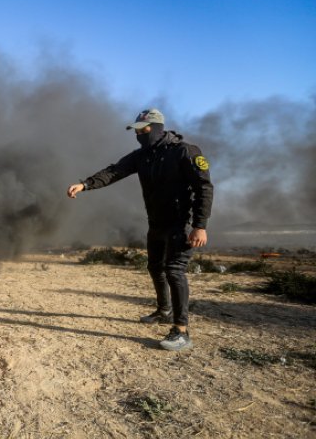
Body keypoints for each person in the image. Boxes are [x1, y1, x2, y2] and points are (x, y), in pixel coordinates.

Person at [66, 109, 213, 352]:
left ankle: (181, 331)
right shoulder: (142, 155)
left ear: (156, 128)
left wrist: (200, 226)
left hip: (182, 223)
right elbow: (115, 171)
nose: (139, 135)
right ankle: (163, 311)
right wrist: (86, 184)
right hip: (156, 222)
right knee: (155, 267)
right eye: (136, 131)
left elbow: (204, 188)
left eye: (143, 130)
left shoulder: (184, 151)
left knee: (174, 270)